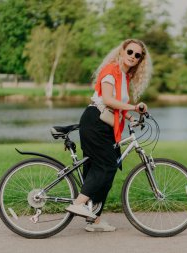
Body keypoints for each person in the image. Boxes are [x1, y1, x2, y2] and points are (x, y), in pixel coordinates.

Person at [66, 39, 152, 232]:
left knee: (103, 171)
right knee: (107, 166)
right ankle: (79, 204)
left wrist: (130, 116)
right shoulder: (110, 70)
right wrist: (133, 106)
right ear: (122, 51)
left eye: (137, 55)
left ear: (140, 61)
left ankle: (94, 220)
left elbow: (116, 106)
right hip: (95, 122)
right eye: (130, 51)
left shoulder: (124, 77)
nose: (133, 56)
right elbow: (107, 100)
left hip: (105, 126)